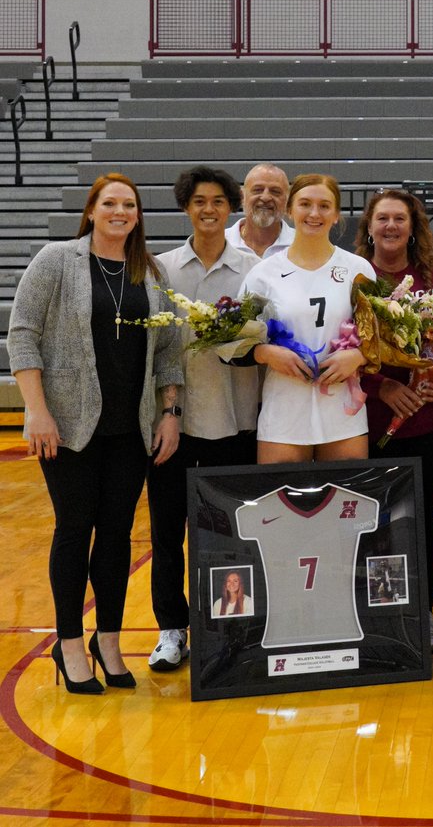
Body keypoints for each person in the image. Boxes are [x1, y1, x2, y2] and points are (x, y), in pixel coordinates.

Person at [9, 173, 183, 694]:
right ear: (91, 211)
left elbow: (170, 350)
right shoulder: (56, 261)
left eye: (129, 204)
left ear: (138, 215)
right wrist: (36, 411)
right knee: (73, 528)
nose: (120, 211)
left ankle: (107, 640)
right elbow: (23, 335)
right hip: (67, 426)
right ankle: (67, 644)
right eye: (110, 203)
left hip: (129, 430)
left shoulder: (149, 273)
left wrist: (169, 412)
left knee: (116, 537)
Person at [145, 166, 260, 672]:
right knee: (167, 533)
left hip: (239, 422)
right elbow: (159, 349)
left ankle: (233, 628)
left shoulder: (254, 269)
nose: (208, 209)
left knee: (234, 534)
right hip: (176, 423)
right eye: (198, 201)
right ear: (186, 207)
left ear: (231, 206)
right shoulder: (161, 269)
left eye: (217, 201)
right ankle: (172, 630)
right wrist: (167, 409)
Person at [356, 188, 433, 652]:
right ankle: (377, 613)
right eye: (382, 218)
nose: (390, 226)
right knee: (374, 522)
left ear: (413, 226)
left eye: (399, 219)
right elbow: (339, 348)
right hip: (364, 422)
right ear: (368, 226)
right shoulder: (353, 278)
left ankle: (423, 614)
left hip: (427, 423)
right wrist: (380, 386)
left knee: (421, 520)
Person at [238, 173, 375, 463]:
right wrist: (265, 353)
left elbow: (380, 336)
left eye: (324, 206)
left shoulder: (358, 269)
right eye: (305, 204)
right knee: (282, 504)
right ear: (289, 209)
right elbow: (234, 342)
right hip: (284, 409)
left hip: (343, 408)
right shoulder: (263, 273)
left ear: (336, 214)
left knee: (346, 500)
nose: (314, 213)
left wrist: (359, 356)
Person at [225, 163, 293, 258]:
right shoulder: (220, 244)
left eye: (275, 192)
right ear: (242, 197)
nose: (265, 198)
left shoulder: (302, 245)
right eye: (258, 190)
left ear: (287, 200)